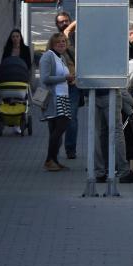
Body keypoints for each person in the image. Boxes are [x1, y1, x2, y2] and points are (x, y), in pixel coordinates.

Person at [38, 32, 75, 172]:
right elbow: (45, 78)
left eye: (64, 41)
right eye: (58, 42)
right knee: (59, 128)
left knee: (57, 130)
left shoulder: (62, 57)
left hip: (63, 97)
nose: (61, 44)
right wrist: (65, 78)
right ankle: (49, 160)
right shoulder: (48, 56)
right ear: (52, 44)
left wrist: (69, 78)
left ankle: (53, 160)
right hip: (54, 98)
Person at [54, 12, 80, 159]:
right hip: (57, 86)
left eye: (66, 21)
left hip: (72, 85)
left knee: (72, 118)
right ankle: (55, 151)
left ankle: (70, 149)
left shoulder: (78, 37)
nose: (63, 23)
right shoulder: (55, 40)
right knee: (58, 119)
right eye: (60, 22)